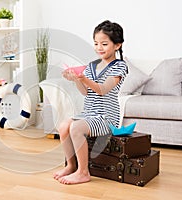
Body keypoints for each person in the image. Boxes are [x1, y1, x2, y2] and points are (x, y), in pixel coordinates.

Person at [53, 20, 128, 184]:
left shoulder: (120, 66)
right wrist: (75, 79)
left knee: (76, 128)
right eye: (96, 43)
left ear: (117, 45)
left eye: (104, 44)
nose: (99, 47)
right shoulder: (92, 65)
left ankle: (83, 172)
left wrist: (83, 78)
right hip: (89, 114)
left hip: (106, 117)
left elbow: (103, 89)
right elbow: (86, 92)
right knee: (63, 126)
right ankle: (72, 166)